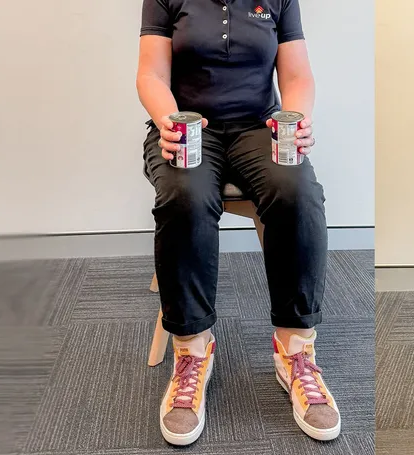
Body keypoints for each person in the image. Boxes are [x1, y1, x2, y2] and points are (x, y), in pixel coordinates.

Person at [136, 0, 340, 445]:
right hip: (185, 127)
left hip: (259, 128)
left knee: (299, 193)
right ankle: (192, 351)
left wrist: (299, 117)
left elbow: (296, 73)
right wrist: (167, 120)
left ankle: (296, 350)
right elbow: (151, 73)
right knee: (184, 196)